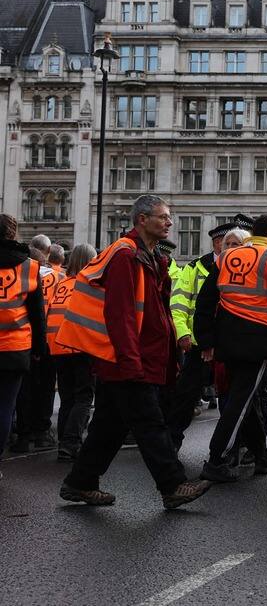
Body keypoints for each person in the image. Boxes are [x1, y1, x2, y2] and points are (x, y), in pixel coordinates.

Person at [58, 196, 211, 509]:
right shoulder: (126, 256)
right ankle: (173, 485)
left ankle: (79, 482)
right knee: (150, 423)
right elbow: (121, 314)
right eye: (163, 217)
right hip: (128, 359)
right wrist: (131, 361)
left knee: (108, 426)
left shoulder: (148, 256)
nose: (169, 223)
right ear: (142, 219)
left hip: (132, 358)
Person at [194, 214, 267, 482]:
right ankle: (216, 458)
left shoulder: (226, 258)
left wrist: (207, 340)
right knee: (240, 403)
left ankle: (262, 456)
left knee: (243, 398)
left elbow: (205, 301)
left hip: (226, 337)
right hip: (256, 339)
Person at [166, 214, 252, 449]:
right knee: (185, 397)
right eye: (225, 242)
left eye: (236, 243)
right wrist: (182, 333)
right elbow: (179, 303)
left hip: (231, 346)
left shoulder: (247, 269)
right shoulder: (196, 267)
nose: (229, 247)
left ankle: (237, 448)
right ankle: (171, 444)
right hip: (198, 344)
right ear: (216, 244)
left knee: (232, 401)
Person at [0, 215, 48, 477]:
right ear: (13, 234)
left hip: (14, 347)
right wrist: (40, 349)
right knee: (6, 406)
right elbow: (37, 314)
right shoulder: (29, 267)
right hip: (15, 347)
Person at [46, 244, 98, 462]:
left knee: (67, 397)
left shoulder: (62, 284)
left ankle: (63, 443)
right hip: (79, 345)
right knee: (84, 397)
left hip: (57, 345)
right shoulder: (89, 284)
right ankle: (71, 443)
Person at [12, 235, 57, 454]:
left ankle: (22, 434)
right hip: (46, 339)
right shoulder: (57, 277)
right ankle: (42, 432)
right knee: (46, 388)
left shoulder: (19, 274)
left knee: (23, 390)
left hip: (22, 340)